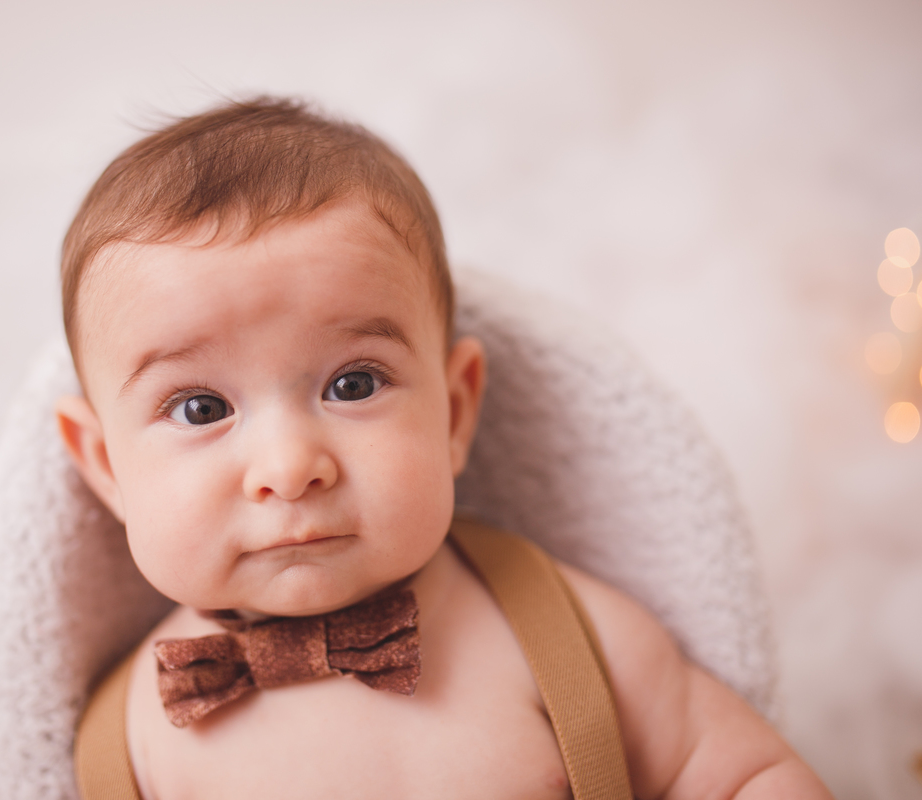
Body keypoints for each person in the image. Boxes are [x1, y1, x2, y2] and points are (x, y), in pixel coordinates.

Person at [54, 97, 831, 799]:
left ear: (454, 412)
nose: (290, 468)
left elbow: (744, 776)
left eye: (353, 385)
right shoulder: (127, 743)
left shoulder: (554, 630)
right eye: (202, 408)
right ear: (106, 466)